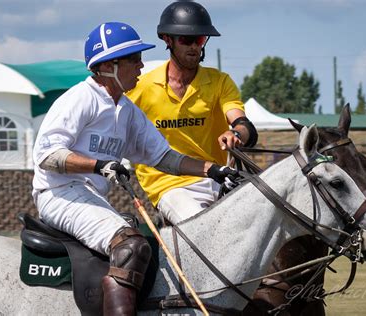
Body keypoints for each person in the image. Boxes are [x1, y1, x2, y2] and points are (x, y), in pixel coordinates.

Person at [32, 21, 238, 316]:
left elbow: (165, 158)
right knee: (131, 247)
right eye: (133, 59)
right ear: (109, 65)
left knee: (147, 245)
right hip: (58, 193)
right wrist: (98, 164)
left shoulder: (127, 110)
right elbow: (46, 156)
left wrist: (213, 170)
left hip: (90, 197)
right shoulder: (80, 99)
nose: (141, 66)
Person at [127, 1, 258, 224]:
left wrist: (236, 134)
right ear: (167, 40)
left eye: (199, 40)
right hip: (169, 184)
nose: (194, 47)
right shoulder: (140, 88)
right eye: (186, 40)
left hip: (220, 176)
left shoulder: (219, 81)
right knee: (202, 227)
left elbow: (243, 124)